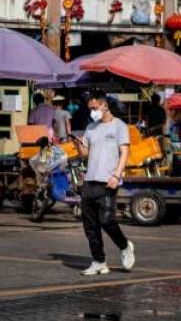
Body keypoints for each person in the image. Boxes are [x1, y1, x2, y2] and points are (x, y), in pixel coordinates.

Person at [72, 91, 135, 276]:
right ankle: (99, 261)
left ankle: (125, 246)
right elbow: (85, 154)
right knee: (90, 225)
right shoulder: (91, 128)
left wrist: (116, 176)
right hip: (89, 181)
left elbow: (124, 153)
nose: (92, 111)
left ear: (104, 105)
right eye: (90, 108)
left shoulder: (119, 127)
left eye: (94, 108)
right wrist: (78, 145)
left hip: (108, 181)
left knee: (107, 220)